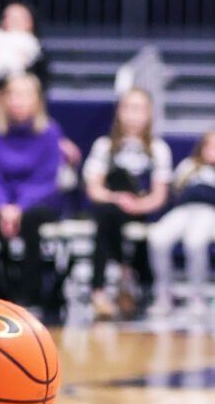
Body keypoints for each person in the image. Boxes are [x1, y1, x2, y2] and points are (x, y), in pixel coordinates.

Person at [0, 73, 64, 312]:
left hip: (38, 200)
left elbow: (46, 178)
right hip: (2, 200)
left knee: (32, 219)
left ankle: (28, 295)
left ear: (36, 100)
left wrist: (19, 207)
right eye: (11, 95)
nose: (17, 101)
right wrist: (3, 206)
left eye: (23, 95)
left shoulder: (50, 132)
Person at [82, 88, 172, 321]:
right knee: (107, 214)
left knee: (108, 218)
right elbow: (94, 189)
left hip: (142, 211)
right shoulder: (104, 146)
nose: (133, 115)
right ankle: (117, 280)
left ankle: (108, 285)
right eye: (128, 108)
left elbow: (159, 196)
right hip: (111, 207)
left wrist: (137, 204)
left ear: (150, 113)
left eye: (139, 109)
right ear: (119, 111)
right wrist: (118, 199)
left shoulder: (158, 149)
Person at [147, 129, 215, 318]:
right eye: (210, 145)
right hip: (183, 211)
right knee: (157, 237)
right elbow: (176, 190)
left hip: (209, 212)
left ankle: (197, 297)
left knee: (195, 242)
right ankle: (163, 295)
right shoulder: (189, 166)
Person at [0, 1, 49, 98]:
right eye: (7, 17)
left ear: (31, 22)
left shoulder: (37, 52)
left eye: (17, 18)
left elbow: (42, 88)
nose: (11, 21)